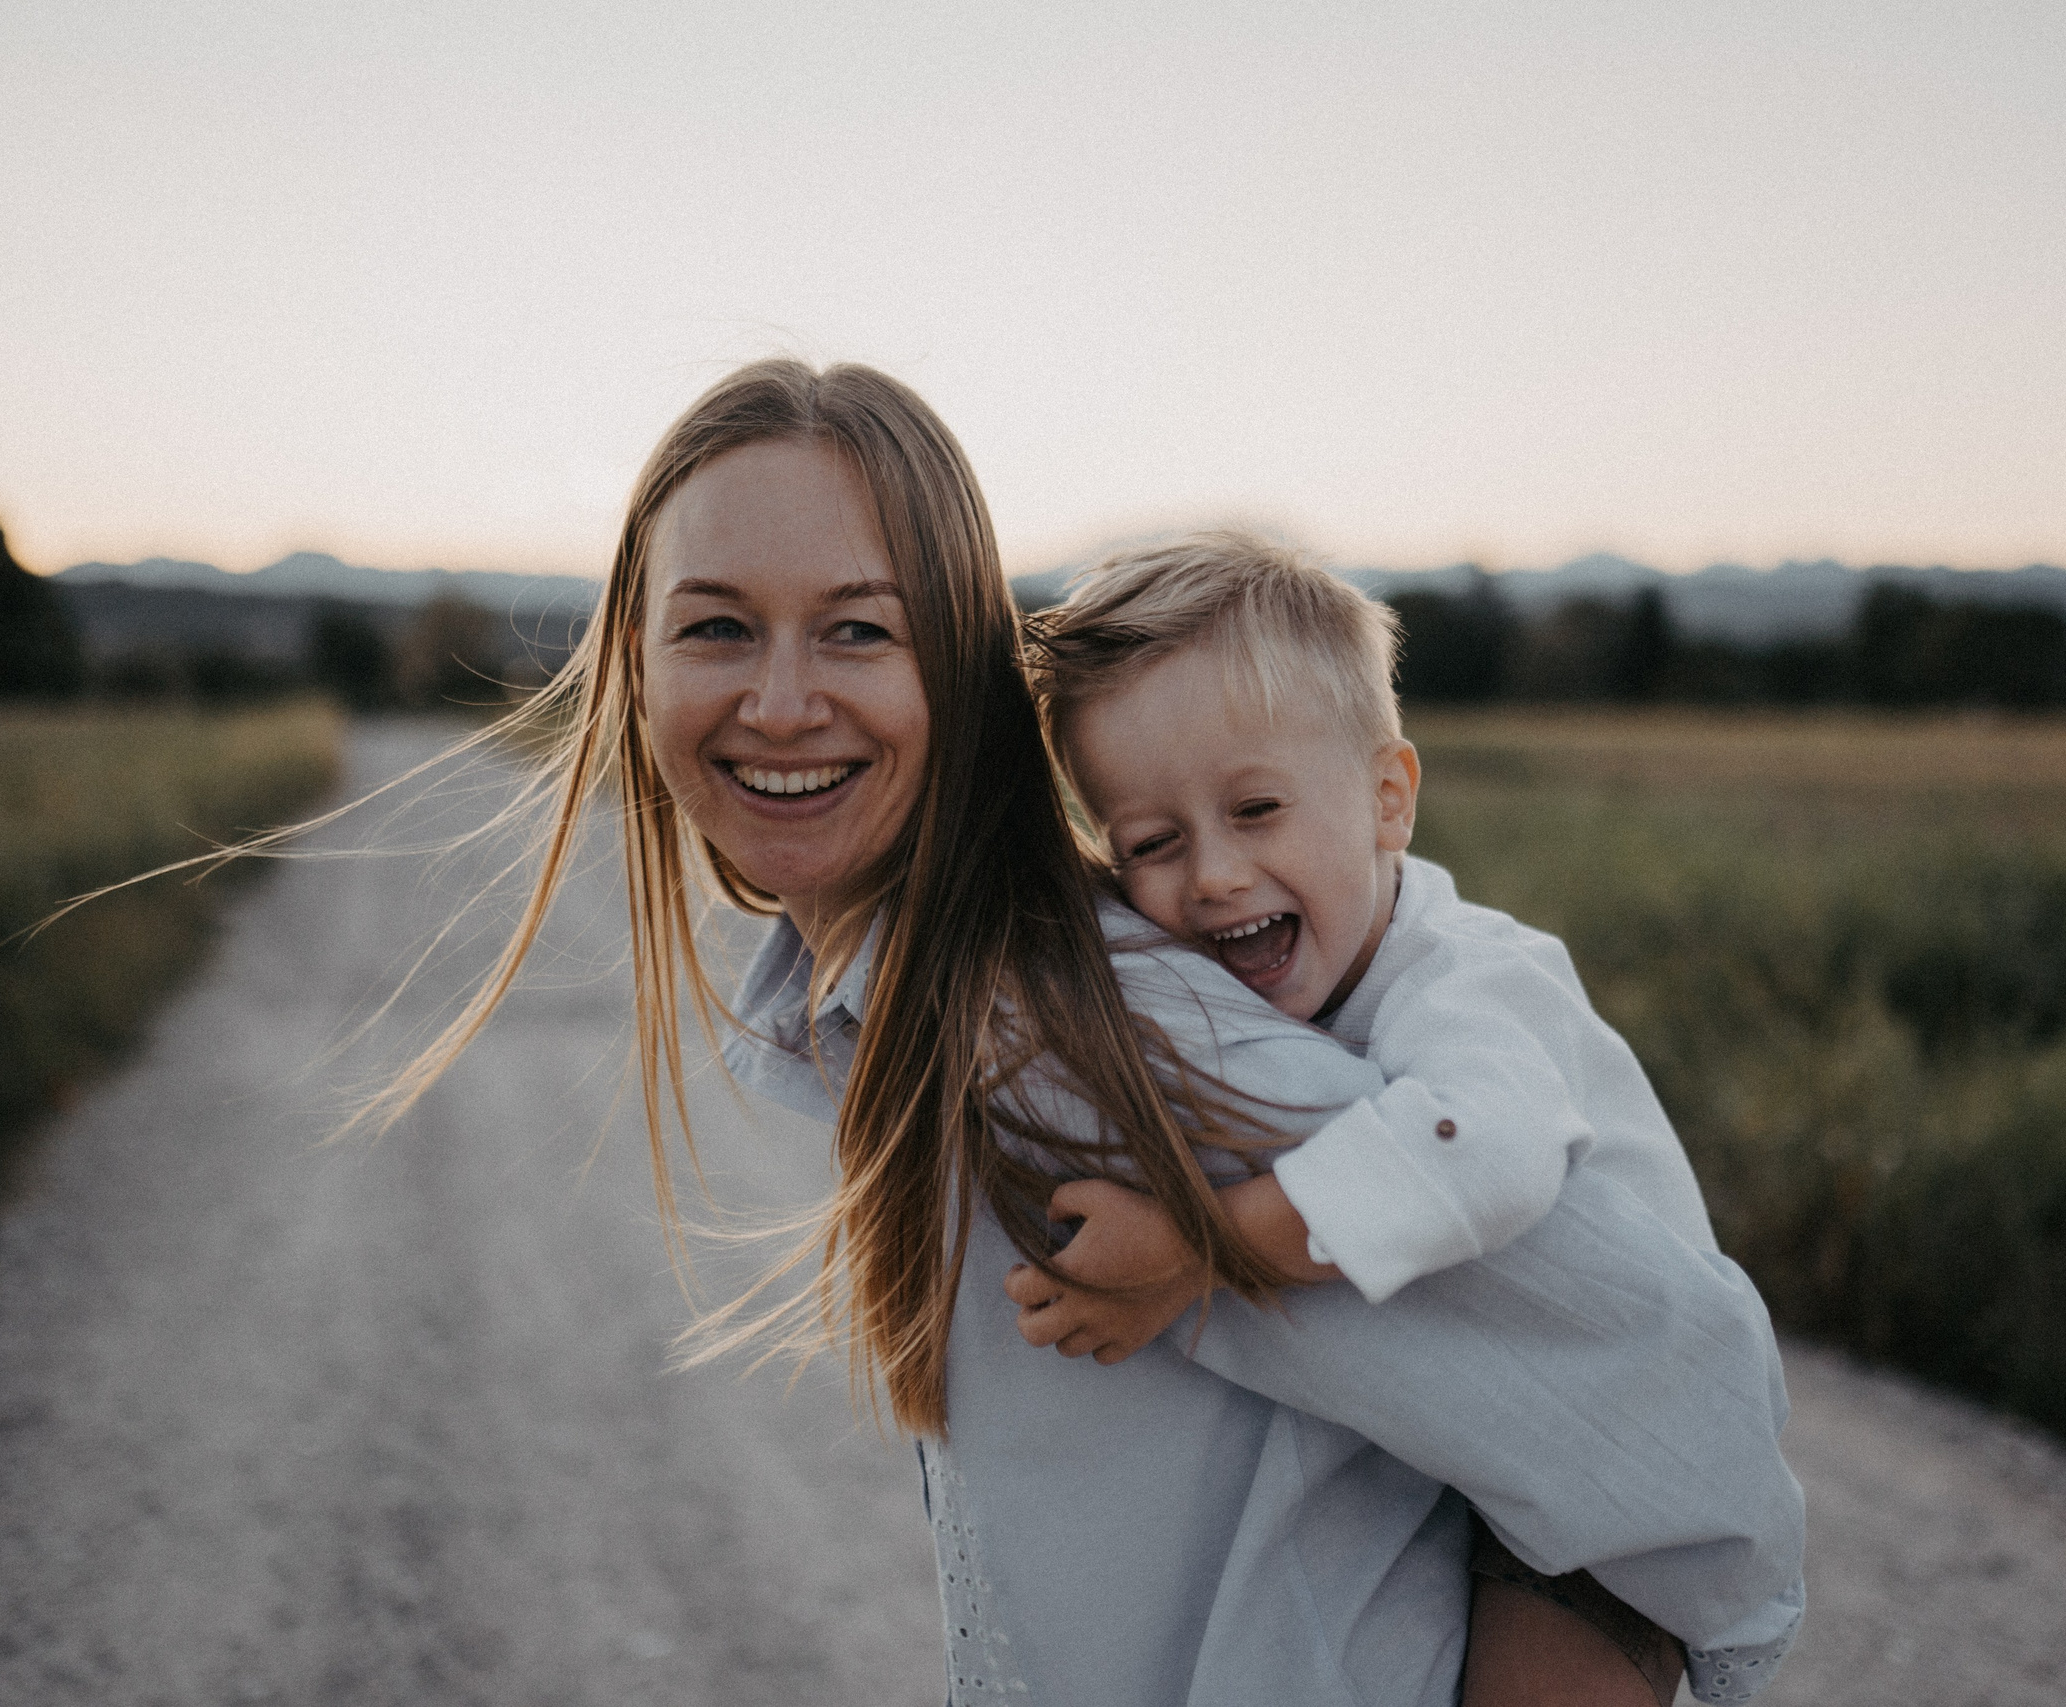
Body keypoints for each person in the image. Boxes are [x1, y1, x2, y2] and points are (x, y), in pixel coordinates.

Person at [402, 358, 1805, 1706]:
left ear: (959, 674)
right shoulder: (908, 1011)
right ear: (632, 665)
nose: (779, 699)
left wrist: (1212, 1245)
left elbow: (1674, 1379)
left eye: (858, 629)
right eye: (716, 624)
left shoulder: (1062, 1038)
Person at [1007, 530, 1772, 1705]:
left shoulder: (1472, 984)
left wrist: (1191, 1252)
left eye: (1256, 808)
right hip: (1456, 1446)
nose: (1211, 874)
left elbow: (1480, 1158)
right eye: (1151, 845)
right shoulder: (1282, 974)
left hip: (1610, 1478)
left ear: (1386, 800)